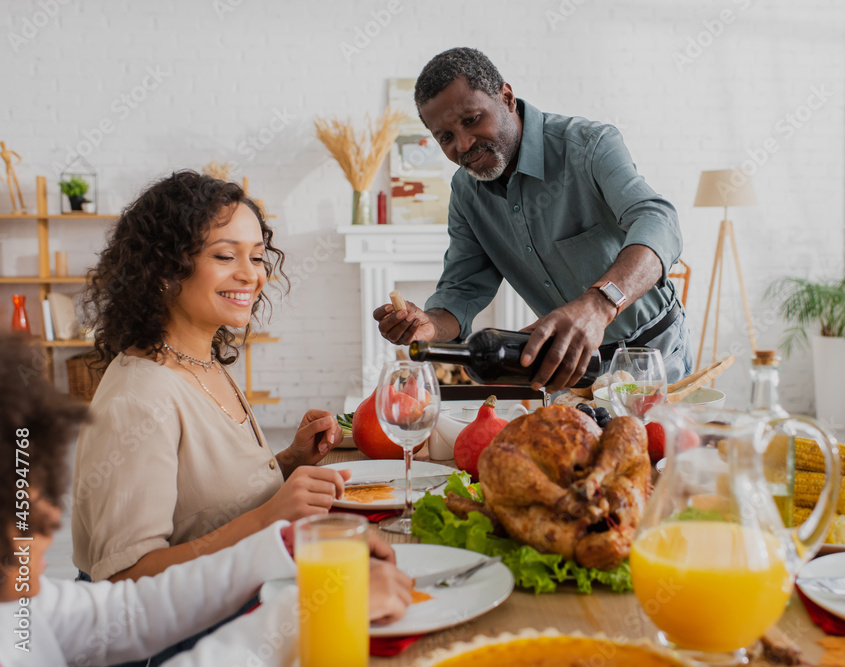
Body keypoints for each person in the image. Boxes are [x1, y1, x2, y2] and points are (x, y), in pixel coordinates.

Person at [71, 171, 411, 663]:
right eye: (225, 256)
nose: (251, 274)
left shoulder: (201, 359)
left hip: (232, 598)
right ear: (164, 269)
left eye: (257, 256)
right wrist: (268, 517)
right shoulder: (138, 398)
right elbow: (126, 582)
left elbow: (197, 499)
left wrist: (289, 461)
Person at [0, 334, 414, 666]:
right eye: (16, 507)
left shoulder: (22, 605)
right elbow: (132, 585)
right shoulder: (139, 392)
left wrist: (285, 539)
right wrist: (314, 608)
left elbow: (126, 610)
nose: (53, 517)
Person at [374, 47, 692, 390]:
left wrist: (598, 305)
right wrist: (430, 324)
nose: (463, 145)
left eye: (471, 120)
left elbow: (658, 220)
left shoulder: (589, 145)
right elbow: (462, 290)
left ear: (507, 98)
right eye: (446, 138)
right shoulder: (466, 192)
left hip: (652, 355)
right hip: (568, 367)